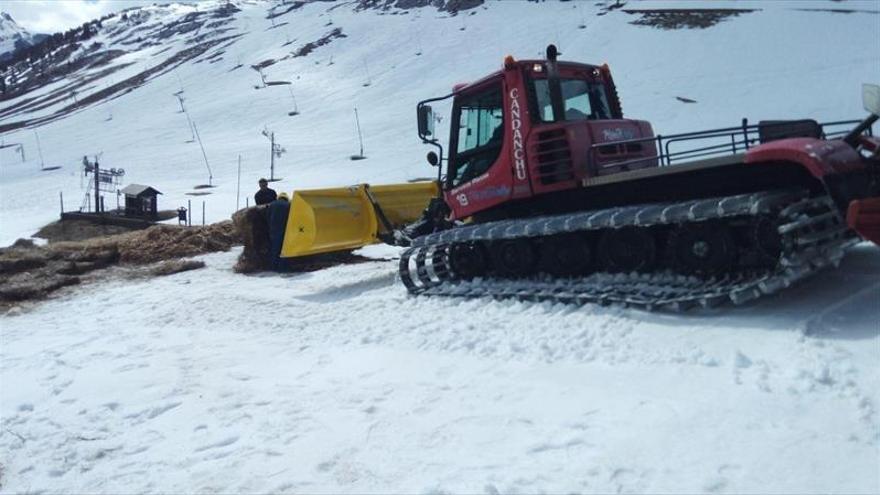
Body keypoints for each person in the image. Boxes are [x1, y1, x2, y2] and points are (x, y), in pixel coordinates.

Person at [267, 192, 291, 271]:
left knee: (274, 248)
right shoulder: (288, 205)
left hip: (273, 229)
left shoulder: (272, 204)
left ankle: (273, 266)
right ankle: (283, 268)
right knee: (284, 249)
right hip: (285, 229)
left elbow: (268, 216)